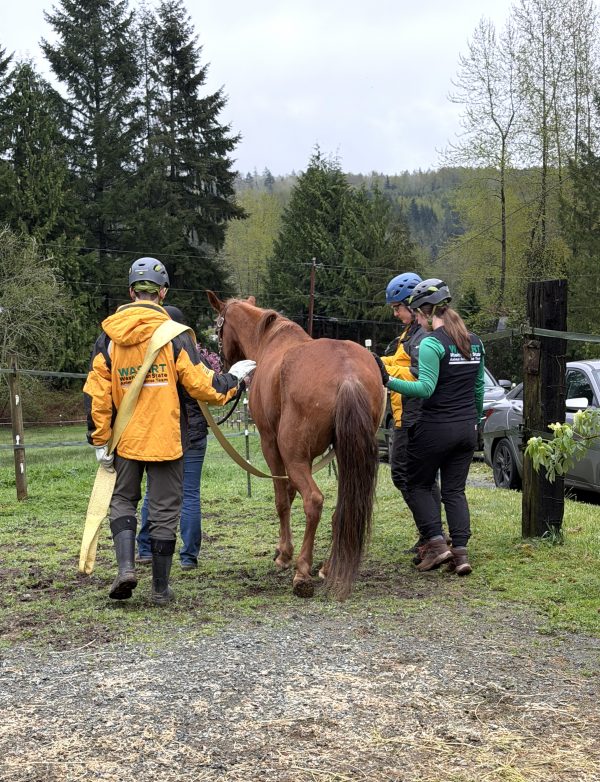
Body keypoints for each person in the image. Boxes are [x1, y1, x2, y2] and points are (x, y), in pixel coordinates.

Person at [83, 257, 255, 605]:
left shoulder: (109, 338)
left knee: (122, 501)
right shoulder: (175, 336)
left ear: (131, 292)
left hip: (125, 440)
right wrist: (234, 379)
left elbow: (97, 393)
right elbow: (203, 386)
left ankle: (126, 569)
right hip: (167, 441)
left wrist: (100, 439)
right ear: (162, 293)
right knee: (164, 510)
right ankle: (160, 589)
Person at [381, 278, 484, 576]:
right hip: (466, 429)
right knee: (454, 490)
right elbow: (478, 389)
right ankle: (461, 555)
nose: (417, 321)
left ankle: (437, 545)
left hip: (435, 428)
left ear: (426, 313)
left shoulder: (431, 344)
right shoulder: (474, 341)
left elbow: (425, 388)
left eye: (417, 314)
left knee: (416, 483)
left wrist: (386, 380)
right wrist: (475, 421)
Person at [136, 305, 211, 571]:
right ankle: (188, 557)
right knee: (190, 495)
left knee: (153, 494)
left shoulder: (151, 355)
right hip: (192, 435)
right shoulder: (194, 354)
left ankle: (145, 548)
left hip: (161, 432)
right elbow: (210, 385)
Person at [379, 272, 443, 556]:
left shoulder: (422, 336)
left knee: (405, 476)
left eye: (397, 308)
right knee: (417, 478)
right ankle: (431, 532)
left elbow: (419, 374)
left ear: (411, 304)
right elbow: (397, 360)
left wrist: (384, 372)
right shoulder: (409, 333)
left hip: (414, 415)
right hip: (401, 414)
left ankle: (432, 534)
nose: (395, 314)